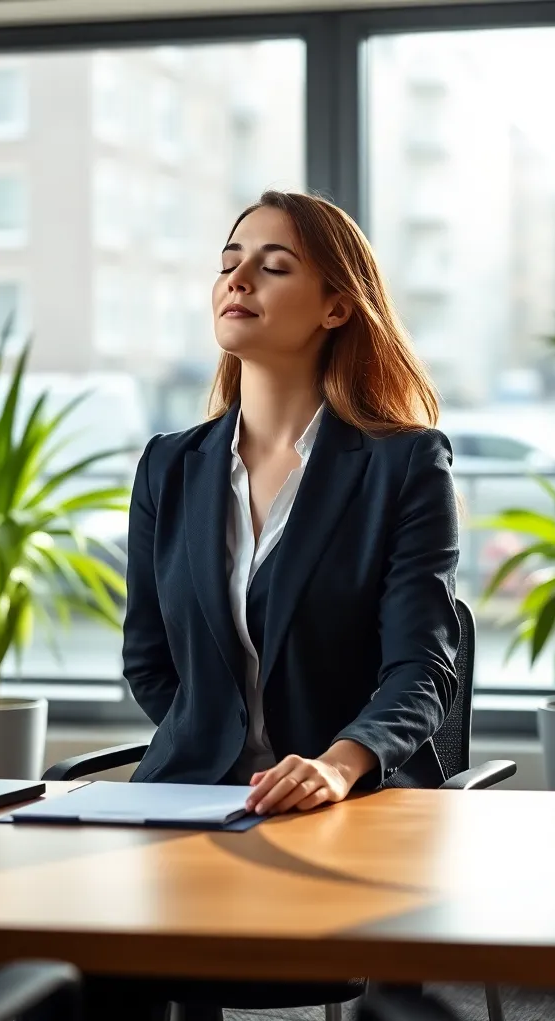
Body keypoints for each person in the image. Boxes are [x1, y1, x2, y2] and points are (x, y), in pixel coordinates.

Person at [122, 189, 461, 817]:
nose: (238, 282)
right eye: (229, 264)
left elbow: (422, 670)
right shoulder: (167, 467)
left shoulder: (404, 464)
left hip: (348, 806)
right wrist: (211, 743)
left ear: (336, 308)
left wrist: (336, 765)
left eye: (273, 267)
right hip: (190, 802)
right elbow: (148, 659)